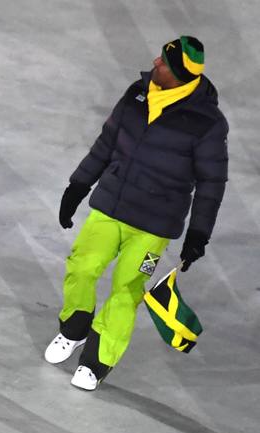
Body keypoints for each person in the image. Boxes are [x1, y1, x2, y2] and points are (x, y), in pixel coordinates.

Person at [45, 36, 227, 391]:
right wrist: (78, 186)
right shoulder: (137, 93)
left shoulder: (207, 123)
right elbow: (106, 142)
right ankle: (75, 326)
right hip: (111, 205)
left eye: (163, 62)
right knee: (81, 266)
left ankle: (97, 361)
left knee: (125, 290)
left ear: (179, 75)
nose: (154, 64)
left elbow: (212, 183)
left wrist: (198, 235)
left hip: (153, 224)